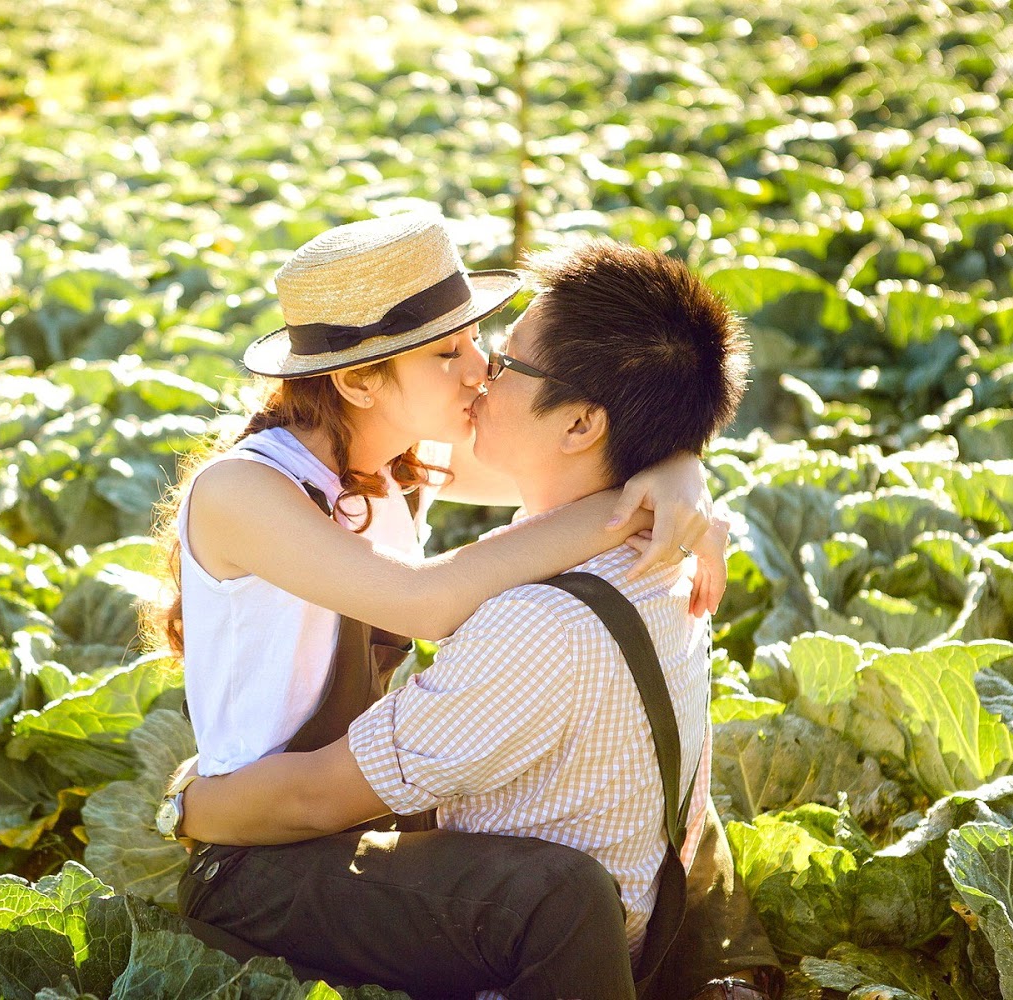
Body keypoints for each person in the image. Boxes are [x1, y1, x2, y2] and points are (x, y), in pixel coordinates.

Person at [173, 240, 780, 1000]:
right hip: (259, 831)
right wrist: (186, 806)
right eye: (447, 352)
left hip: (360, 792)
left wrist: (675, 464)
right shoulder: (244, 491)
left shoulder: (397, 453)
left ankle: (724, 973)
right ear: (361, 378)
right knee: (559, 898)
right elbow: (431, 597)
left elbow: (581, 455)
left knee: (656, 782)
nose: (481, 367)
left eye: (481, 340)